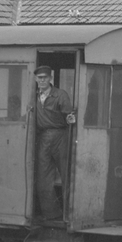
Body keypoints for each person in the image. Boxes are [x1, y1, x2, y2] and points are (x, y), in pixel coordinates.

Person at [33, 65, 75, 219]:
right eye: (39, 78)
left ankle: (69, 214)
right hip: (43, 137)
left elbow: (69, 116)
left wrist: (71, 118)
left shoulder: (60, 95)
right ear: (36, 79)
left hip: (60, 136)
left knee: (66, 174)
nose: (42, 80)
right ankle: (51, 214)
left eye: (45, 77)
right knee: (43, 177)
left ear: (50, 78)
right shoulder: (34, 95)